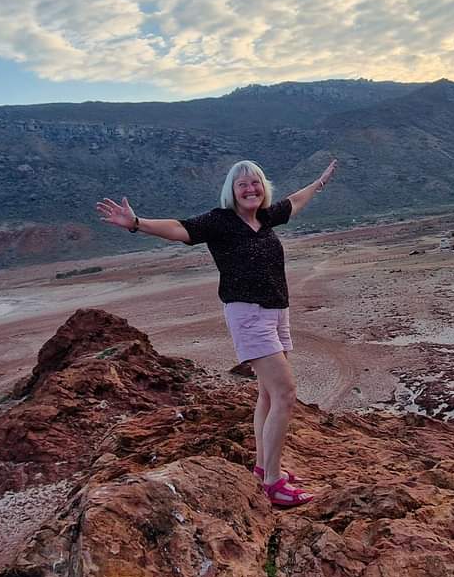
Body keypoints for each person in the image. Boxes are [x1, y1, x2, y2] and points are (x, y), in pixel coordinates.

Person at [96, 158, 337, 507]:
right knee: (285, 393)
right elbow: (179, 229)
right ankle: (273, 483)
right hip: (248, 315)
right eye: (242, 185)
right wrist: (136, 223)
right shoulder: (220, 222)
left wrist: (319, 183)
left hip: (276, 312)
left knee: (268, 396)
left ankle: (262, 468)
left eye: (255, 183)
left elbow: (295, 201)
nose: (250, 189)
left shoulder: (266, 217)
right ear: (232, 191)